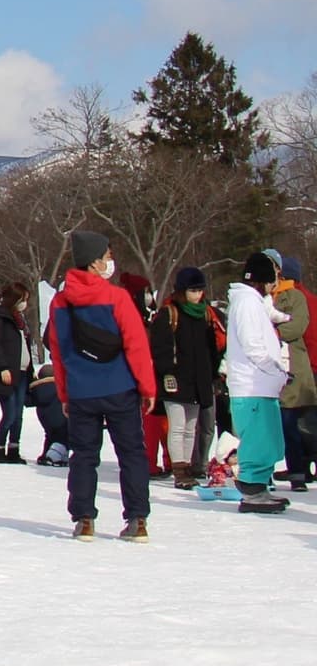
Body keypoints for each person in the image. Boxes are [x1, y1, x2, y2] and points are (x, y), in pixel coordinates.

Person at [47, 230, 156, 542]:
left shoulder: (59, 303)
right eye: (107, 257)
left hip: (82, 391)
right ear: (94, 263)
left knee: (83, 455)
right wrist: (147, 388)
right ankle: (137, 519)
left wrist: (65, 393)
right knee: (132, 453)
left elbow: (59, 352)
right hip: (120, 387)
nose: (111, 262)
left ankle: (83, 519)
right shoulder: (116, 297)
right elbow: (136, 346)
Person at [226, 251, 292, 513]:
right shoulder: (247, 304)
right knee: (258, 439)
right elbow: (253, 346)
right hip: (252, 385)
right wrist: (276, 371)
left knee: (270, 440)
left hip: (262, 386)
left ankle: (260, 487)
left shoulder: (252, 302)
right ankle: (252, 490)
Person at [148, 267, 223, 490]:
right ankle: (179, 469)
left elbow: (212, 347)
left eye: (200, 290)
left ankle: (188, 465)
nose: (198, 294)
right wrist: (167, 371)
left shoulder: (206, 314)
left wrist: (212, 373)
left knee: (192, 427)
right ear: (182, 290)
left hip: (199, 379)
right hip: (176, 378)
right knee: (178, 426)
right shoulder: (169, 313)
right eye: (193, 290)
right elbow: (159, 348)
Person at [273, 256, 316, 491]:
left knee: (295, 422)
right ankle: (300, 470)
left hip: (297, 367)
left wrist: (273, 332)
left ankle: (298, 471)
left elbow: (300, 328)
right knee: (301, 424)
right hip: (298, 367)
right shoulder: (276, 298)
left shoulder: (295, 298)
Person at [0, 283, 35, 464]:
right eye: (23, 300)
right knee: (10, 413)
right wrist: (3, 367)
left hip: (22, 370)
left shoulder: (19, 319)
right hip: (7, 371)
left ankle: (14, 447)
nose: (25, 304)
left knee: (19, 413)